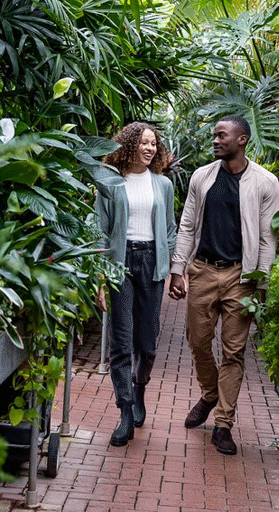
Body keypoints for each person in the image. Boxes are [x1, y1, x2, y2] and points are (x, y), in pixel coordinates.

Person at [168, 114, 279, 455]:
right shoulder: (202, 177)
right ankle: (209, 392)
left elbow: (267, 237)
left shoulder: (265, 182)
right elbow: (187, 225)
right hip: (202, 270)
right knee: (198, 341)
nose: (215, 140)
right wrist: (178, 269)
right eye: (215, 135)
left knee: (233, 352)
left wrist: (260, 283)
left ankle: (222, 424)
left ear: (242, 140)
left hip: (241, 277)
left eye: (222, 135)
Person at [93, 122, 177, 447]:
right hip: (120, 263)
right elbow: (100, 230)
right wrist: (99, 276)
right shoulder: (109, 182)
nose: (149, 148)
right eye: (143, 142)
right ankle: (125, 411)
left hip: (150, 263)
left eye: (153, 143)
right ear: (129, 145)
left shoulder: (163, 184)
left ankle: (139, 388)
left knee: (148, 345)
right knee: (122, 341)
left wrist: (166, 261)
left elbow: (169, 229)